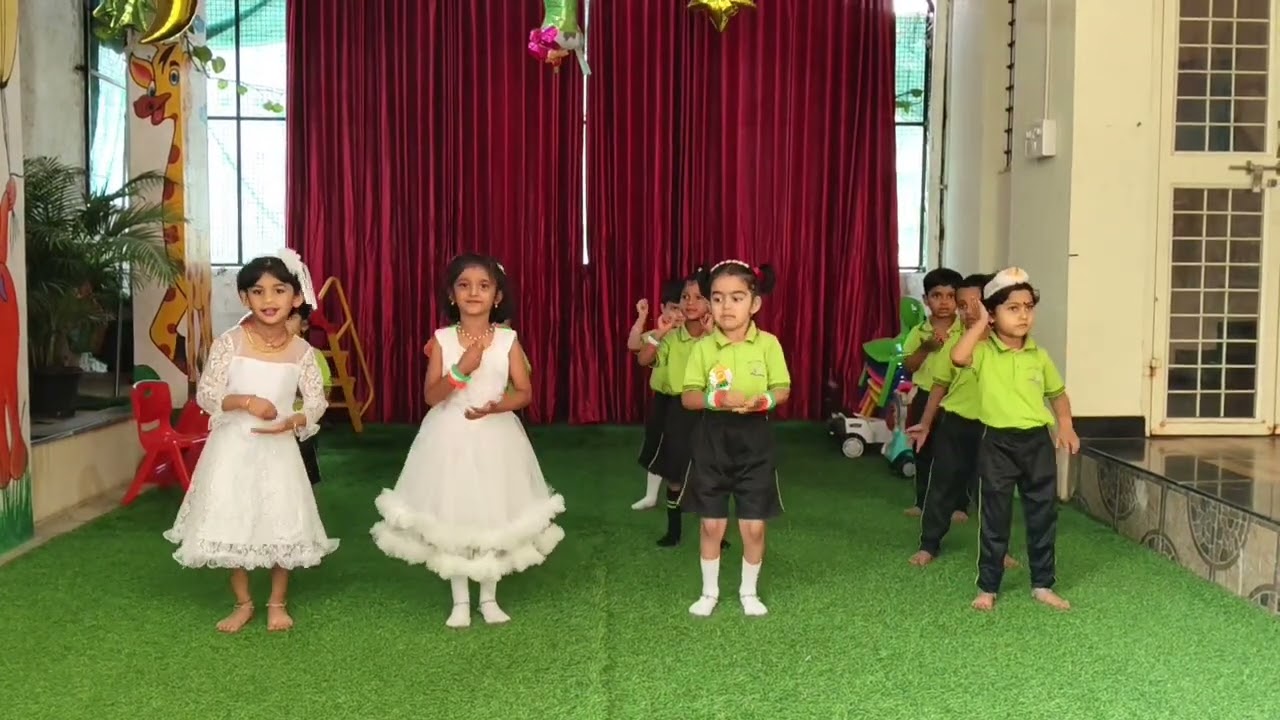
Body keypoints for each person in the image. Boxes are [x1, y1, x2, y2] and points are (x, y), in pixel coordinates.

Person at [371, 254, 565, 628]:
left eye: (484, 285)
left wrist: (498, 404)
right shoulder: (443, 339)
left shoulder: (508, 340)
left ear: (496, 296)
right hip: (449, 435)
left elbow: (524, 392)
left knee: (492, 510)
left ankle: (488, 598)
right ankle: (460, 600)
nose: (473, 292)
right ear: (451, 295)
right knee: (454, 512)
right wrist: (462, 369)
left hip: (497, 437)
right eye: (464, 285)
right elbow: (431, 395)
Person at [164, 250, 338, 634]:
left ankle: (277, 602)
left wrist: (292, 420)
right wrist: (245, 402)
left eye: (279, 291)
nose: (268, 300)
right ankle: (243, 603)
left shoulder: (303, 352)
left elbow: (316, 402)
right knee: (232, 516)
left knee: (281, 520)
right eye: (257, 292)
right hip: (233, 448)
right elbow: (208, 395)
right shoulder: (230, 343)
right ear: (245, 299)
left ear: (295, 298)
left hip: (278, 450)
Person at [950, 267, 1079, 612]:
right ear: (993, 315)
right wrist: (980, 324)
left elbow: (1058, 394)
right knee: (995, 516)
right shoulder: (984, 353)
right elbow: (958, 357)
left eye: (1028, 307)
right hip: (998, 444)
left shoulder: (1039, 356)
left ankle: (1043, 584)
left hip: (1037, 443)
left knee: (1042, 514)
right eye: (1012, 308)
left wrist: (1065, 425)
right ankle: (988, 587)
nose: (1023, 315)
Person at [679, 260, 789, 617]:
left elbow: (782, 388)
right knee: (712, 523)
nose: (727, 306)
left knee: (753, 527)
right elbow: (689, 397)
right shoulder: (703, 348)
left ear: (754, 304)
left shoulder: (769, 344)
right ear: (709, 303)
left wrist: (766, 400)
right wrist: (718, 399)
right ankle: (709, 593)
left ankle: (748, 592)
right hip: (713, 440)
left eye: (737, 297)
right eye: (718, 298)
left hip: (755, 441)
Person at [907, 273, 1013, 568]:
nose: (966, 311)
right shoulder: (955, 340)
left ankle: (999, 551)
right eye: (962, 305)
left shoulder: (1004, 344)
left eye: (973, 304)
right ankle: (929, 544)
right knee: (941, 484)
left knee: (993, 490)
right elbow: (939, 385)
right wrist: (926, 424)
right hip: (954, 424)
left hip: (993, 427)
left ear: (991, 307)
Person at [635, 268, 712, 546]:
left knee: (710, 473)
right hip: (678, 411)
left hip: (710, 410)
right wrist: (660, 333)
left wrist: (713, 337)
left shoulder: (716, 338)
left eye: (698, 297)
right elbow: (643, 359)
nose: (690, 303)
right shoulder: (671, 337)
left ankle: (714, 530)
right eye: (685, 296)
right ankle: (674, 530)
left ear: (711, 303)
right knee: (675, 472)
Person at [901, 267, 964, 517]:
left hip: (957, 398)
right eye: (937, 295)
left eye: (951, 296)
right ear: (926, 300)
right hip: (925, 395)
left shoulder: (967, 330)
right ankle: (922, 501)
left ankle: (959, 504)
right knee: (923, 449)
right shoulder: (919, 332)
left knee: (957, 452)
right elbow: (908, 367)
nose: (945, 302)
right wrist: (926, 348)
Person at [629, 279, 686, 510]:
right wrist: (642, 317)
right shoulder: (658, 334)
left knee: (684, 450)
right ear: (662, 308)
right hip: (663, 400)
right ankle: (651, 495)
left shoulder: (695, 336)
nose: (679, 314)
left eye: (682, 308)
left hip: (687, 400)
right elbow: (633, 345)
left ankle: (685, 496)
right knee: (656, 445)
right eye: (673, 308)